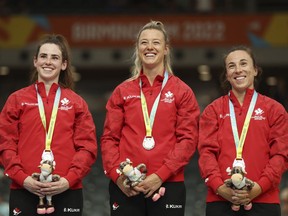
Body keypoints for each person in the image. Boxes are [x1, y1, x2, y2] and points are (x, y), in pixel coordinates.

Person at [101, 20, 200, 216]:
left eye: (156, 42)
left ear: (166, 49)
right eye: (144, 42)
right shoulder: (122, 91)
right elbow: (109, 139)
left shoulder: (182, 91)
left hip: (169, 185)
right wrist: (118, 177)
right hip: (126, 186)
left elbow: (187, 140)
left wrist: (160, 175)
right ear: (138, 49)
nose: (149, 47)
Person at [0, 34, 97, 216]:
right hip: (24, 189)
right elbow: (5, 144)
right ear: (35, 61)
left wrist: (68, 180)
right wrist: (23, 179)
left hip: (68, 191)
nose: (48, 62)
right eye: (43, 56)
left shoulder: (76, 102)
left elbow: (87, 147)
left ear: (64, 64)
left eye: (55, 57)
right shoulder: (16, 100)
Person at [198, 45, 288, 216]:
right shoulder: (213, 110)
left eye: (243, 63)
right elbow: (206, 154)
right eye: (232, 66)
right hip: (220, 200)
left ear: (255, 70)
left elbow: (280, 155)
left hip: (264, 200)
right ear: (227, 75)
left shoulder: (274, 110)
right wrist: (219, 187)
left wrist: (259, 187)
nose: (238, 70)